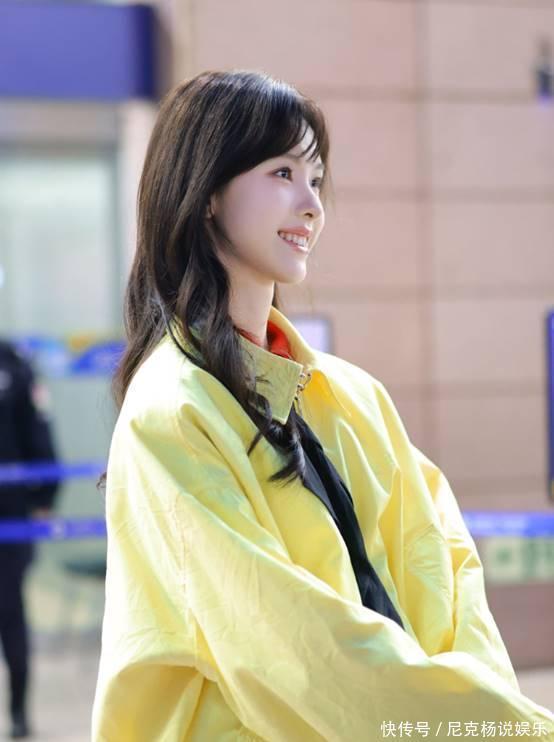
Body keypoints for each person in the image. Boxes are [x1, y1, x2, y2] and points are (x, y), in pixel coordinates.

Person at [91, 70, 554, 741]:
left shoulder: (353, 397)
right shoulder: (172, 412)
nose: (312, 205)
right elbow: (290, 650)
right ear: (208, 193)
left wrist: (479, 716)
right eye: (282, 173)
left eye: (315, 178)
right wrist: (496, 727)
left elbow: (445, 564)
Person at [0, 340, 60, 739]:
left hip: (10, 514)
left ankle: (19, 711)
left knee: (9, 612)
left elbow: (38, 430)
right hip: (13, 510)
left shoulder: (14, 364)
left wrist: (44, 497)